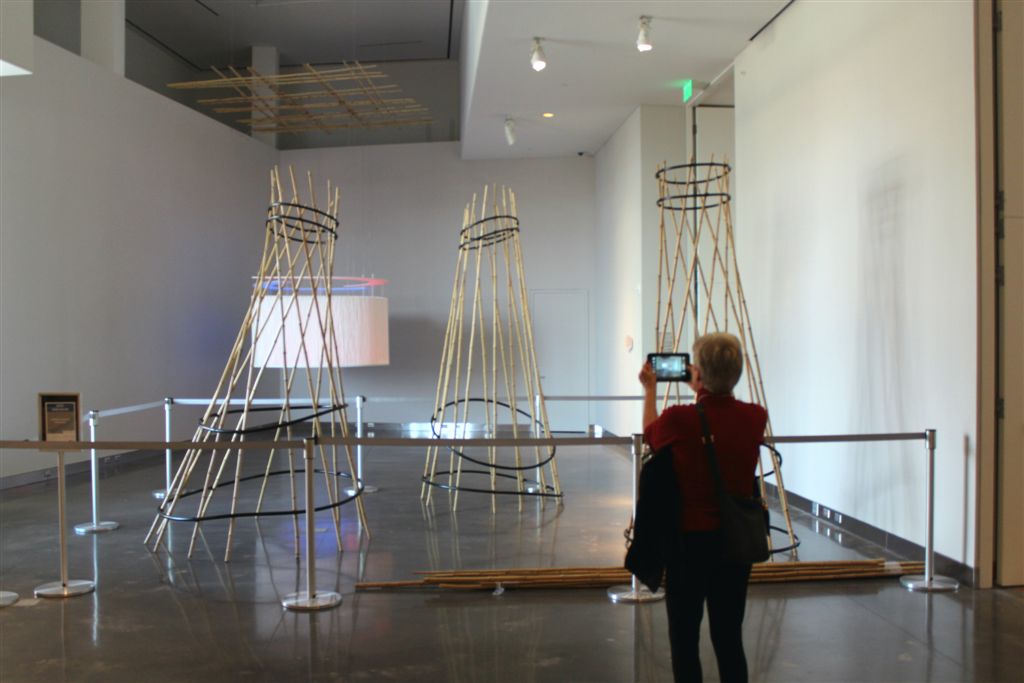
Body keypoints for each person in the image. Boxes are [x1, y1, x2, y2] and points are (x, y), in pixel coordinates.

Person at [639, 332, 767, 683]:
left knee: (684, 641)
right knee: (729, 638)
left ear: (697, 371)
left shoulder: (679, 419)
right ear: (738, 371)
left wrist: (650, 390)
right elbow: (724, 416)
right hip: (735, 544)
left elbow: (650, 433)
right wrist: (708, 387)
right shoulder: (755, 416)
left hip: (689, 545)